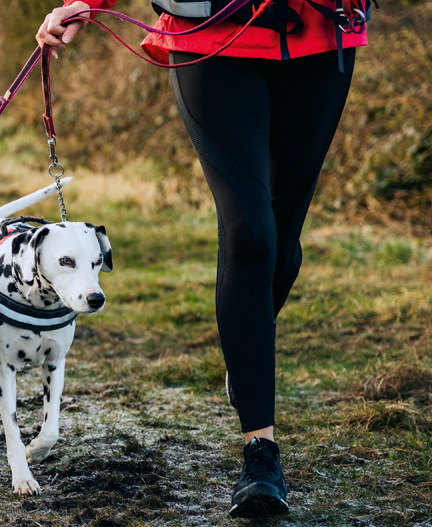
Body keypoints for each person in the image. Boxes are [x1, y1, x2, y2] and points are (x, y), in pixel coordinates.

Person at [36, 0, 368, 519]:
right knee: (251, 234)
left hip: (320, 41)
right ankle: (261, 454)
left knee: (280, 244)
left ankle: (244, 359)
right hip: (212, 40)